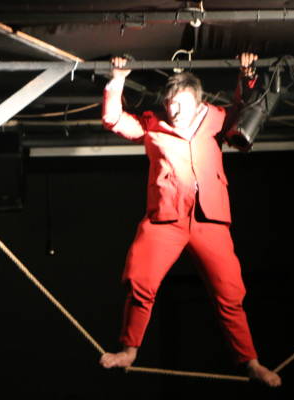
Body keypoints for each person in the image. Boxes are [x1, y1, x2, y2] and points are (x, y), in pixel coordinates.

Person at [99, 53, 282, 387]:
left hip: (209, 220)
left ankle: (251, 362)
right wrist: (118, 79)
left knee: (230, 292)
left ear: (199, 104)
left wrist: (247, 74)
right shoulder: (153, 124)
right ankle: (129, 350)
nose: (175, 112)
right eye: (170, 104)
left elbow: (244, 109)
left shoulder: (216, 119)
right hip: (165, 219)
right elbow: (113, 119)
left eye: (182, 105)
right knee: (140, 281)